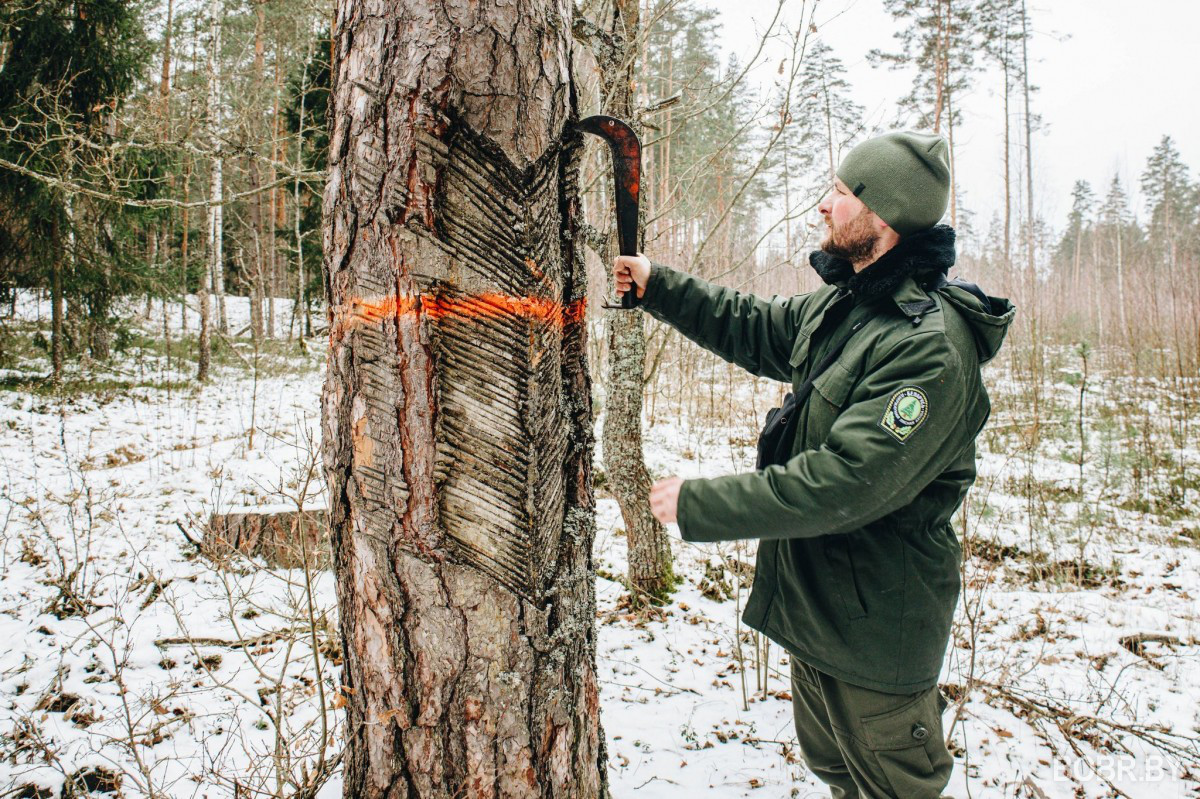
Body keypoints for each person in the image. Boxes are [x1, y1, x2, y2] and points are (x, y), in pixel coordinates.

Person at [613, 131, 1015, 798]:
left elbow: (847, 482)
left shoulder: (929, 352)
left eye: (840, 192)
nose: (823, 206)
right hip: (819, 618)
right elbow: (757, 324)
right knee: (836, 775)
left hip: (877, 636)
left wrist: (700, 504)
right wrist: (661, 287)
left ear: (880, 218)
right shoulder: (851, 301)